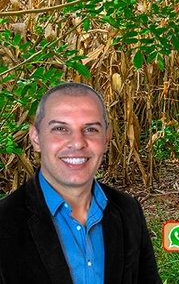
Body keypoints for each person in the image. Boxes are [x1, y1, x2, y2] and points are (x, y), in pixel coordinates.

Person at [0, 82, 161, 284]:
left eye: (91, 129)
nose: (77, 143)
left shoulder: (128, 211)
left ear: (106, 138)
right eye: (60, 128)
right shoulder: (5, 222)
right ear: (36, 138)